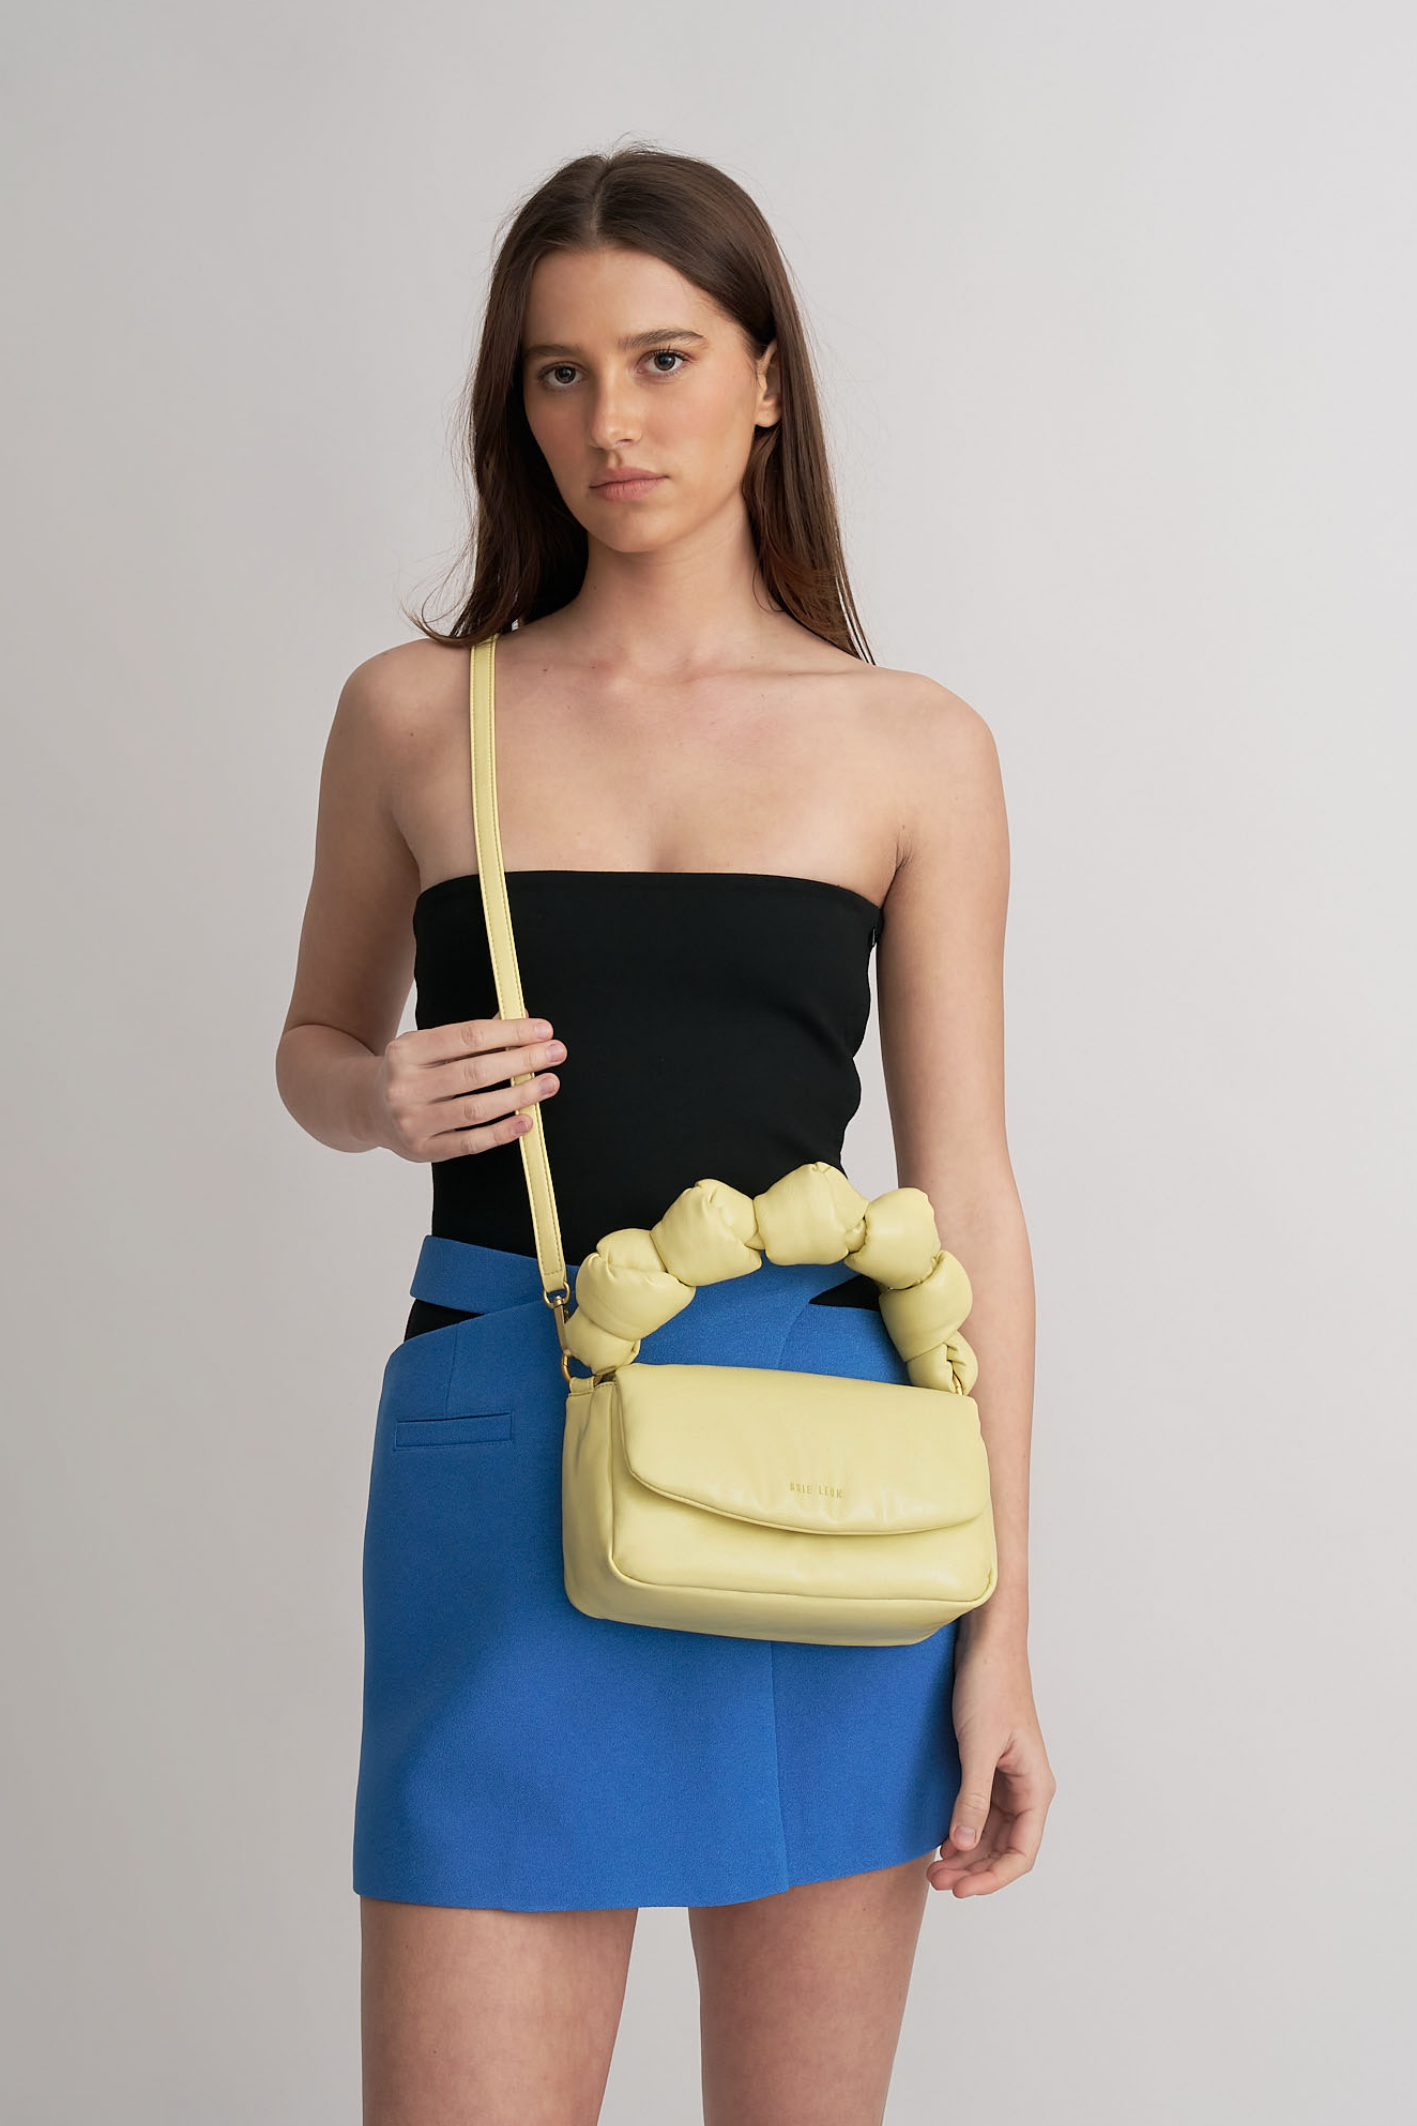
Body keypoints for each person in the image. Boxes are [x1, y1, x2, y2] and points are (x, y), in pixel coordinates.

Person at [276, 144, 1054, 2126]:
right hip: (501, 1434)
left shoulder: (912, 744)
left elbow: (966, 1190)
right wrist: (376, 1095)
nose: (610, 421)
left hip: (822, 1478)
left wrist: (1002, 1632)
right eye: (559, 373)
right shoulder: (411, 715)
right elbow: (314, 1044)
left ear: (767, 380)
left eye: (663, 358)